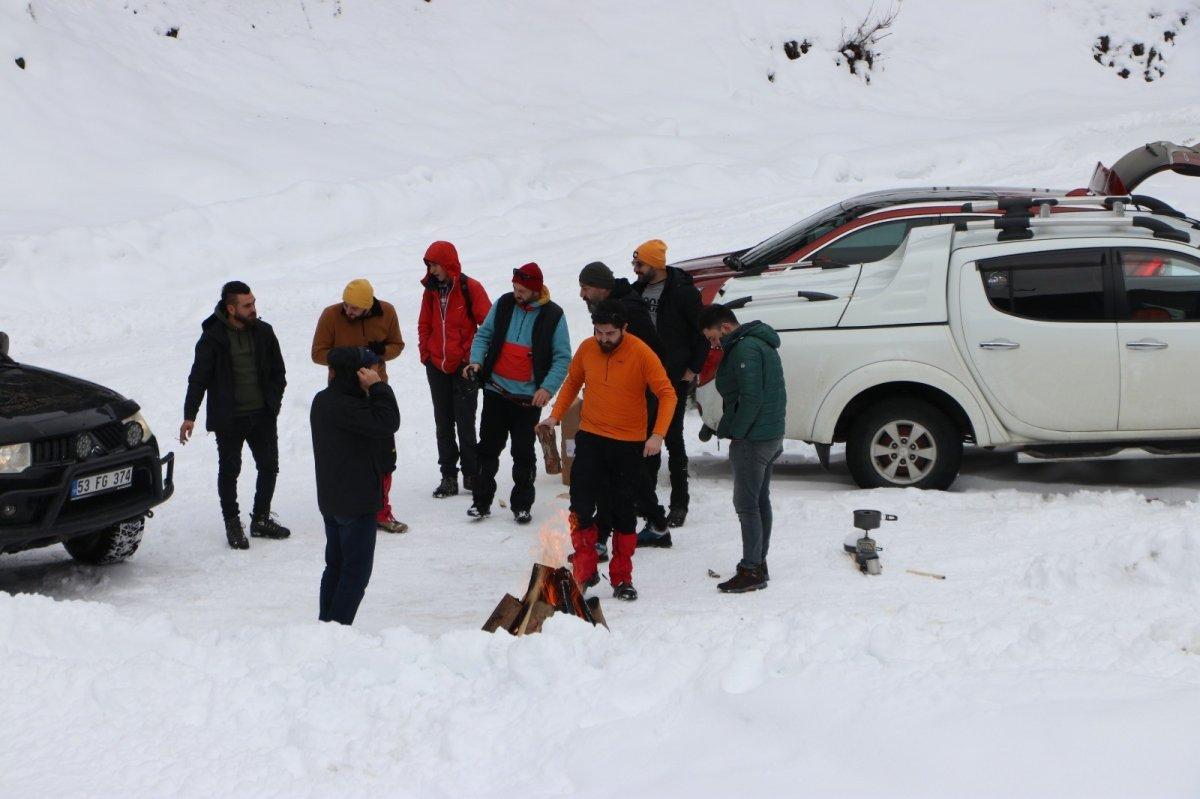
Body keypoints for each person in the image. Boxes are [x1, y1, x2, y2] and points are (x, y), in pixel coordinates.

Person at [538, 300, 676, 602]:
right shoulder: (588, 348)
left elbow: (667, 394)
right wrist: (556, 415)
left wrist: (657, 435)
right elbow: (573, 382)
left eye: (610, 333)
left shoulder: (640, 353)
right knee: (581, 506)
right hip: (591, 438)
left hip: (628, 444)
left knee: (623, 514)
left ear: (624, 329)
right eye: (598, 332)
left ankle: (622, 577)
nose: (603, 339)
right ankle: (585, 570)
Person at [181, 281, 290, 550]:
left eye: (254, 303)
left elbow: (279, 373)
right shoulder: (212, 338)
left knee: (269, 466)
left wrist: (272, 404)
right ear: (231, 308)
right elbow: (198, 379)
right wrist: (189, 415)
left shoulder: (264, 332)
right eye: (247, 305)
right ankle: (232, 523)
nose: (253, 308)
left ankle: (261, 519)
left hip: (262, 416)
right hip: (229, 419)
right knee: (230, 471)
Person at [463, 262, 570, 524]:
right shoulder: (503, 304)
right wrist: (476, 361)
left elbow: (562, 357)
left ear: (535, 289)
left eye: (522, 289)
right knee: (487, 450)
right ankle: (481, 501)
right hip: (495, 391)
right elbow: (483, 336)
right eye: (514, 287)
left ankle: (522, 505)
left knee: (523, 453)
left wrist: (547, 388)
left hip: (528, 400)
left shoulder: (554, 315)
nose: (516, 292)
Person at [576, 261, 669, 557]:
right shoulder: (610, 309)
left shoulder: (627, 310)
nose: (582, 294)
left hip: (638, 402)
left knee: (618, 477)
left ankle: (604, 536)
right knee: (629, 474)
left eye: (586, 287)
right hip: (619, 406)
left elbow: (647, 355)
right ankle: (655, 522)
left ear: (602, 288)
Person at [698, 303, 787, 593]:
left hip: (754, 439)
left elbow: (751, 398)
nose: (714, 344)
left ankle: (751, 570)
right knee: (760, 501)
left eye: (713, 338)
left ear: (725, 328)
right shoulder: (759, 343)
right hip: (770, 434)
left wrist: (736, 432)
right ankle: (758, 562)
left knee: (747, 505)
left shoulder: (746, 349)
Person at [311, 346, 401, 624]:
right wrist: (379, 388)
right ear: (360, 374)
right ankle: (336, 629)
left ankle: (326, 625)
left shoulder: (323, 400)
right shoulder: (354, 407)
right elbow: (389, 421)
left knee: (335, 566)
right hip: (357, 503)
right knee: (355, 572)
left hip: (332, 500)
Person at [311, 279, 408, 534]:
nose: (348, 312)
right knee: (349, 456)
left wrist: (380, 352)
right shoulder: (331, 315)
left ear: (368, 306)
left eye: (354, 308)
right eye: (346, 305)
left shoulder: (387, 311)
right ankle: (350, 507)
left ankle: (381, 510)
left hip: (375, 390)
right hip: (343, 395)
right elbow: (317, 353)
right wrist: (350, 356)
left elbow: (397, 345)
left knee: (384, 457)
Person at [632, 238, 708, 540]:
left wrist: (693, 368)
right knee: (645, 436)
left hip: (673, 376)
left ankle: (679, 503)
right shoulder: (636, 292)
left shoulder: (683, 293)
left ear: (656, 265)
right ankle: (646, 498)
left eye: (640, 264)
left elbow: (701, 332)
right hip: (644, 377)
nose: (636, 269)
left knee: (672, 437)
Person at [418, 241, 492, 498]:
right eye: (429, 265)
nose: (432, 269)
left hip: (464, 368)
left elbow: (489, 325)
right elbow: (424, 324)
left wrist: (476, 360)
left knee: (465, 422)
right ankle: (448, 476)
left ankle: (472, 474)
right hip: (436, 365)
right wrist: (426, 355)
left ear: (448, 263)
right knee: (443, 422)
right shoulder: (430, 291)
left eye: (435, 264)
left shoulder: (470, 288)